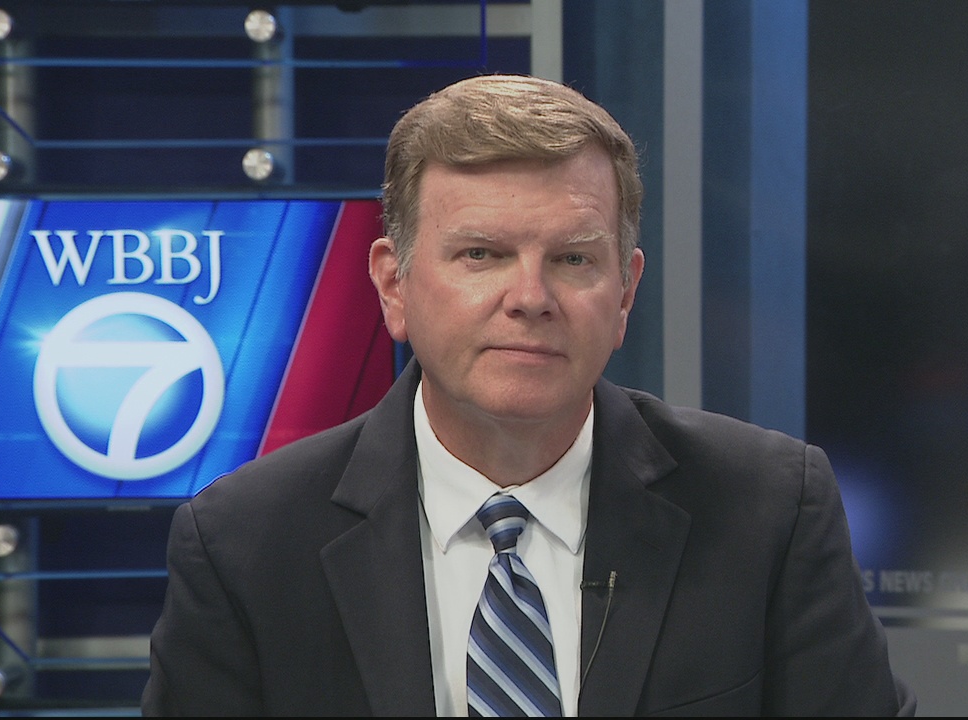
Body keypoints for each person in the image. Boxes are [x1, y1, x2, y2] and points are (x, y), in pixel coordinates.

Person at [140, 73, 915, 717]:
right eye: (482, 254)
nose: (531, 298)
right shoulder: (245, 543)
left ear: (624, 293)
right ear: (393, 285)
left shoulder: (768, 509)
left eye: (574, 259)